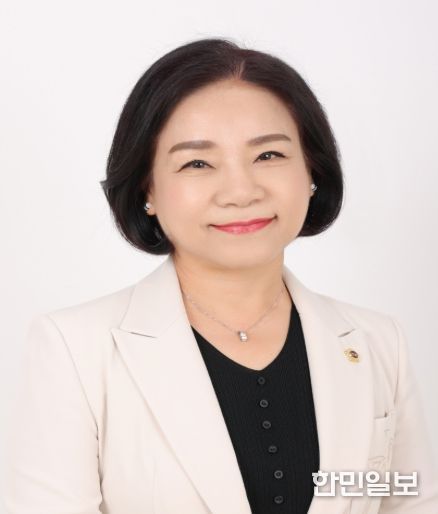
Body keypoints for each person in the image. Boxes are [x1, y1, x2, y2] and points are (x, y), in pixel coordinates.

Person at [3, 37, 438, 514]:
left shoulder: (378, 342)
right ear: (147, 190)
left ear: (312, 170)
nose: (241, 191)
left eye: (268, 155)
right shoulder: (75, 349)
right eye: (197, 163)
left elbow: (409, 503)